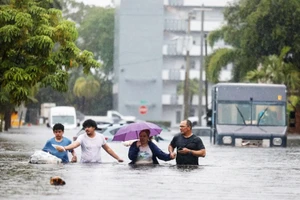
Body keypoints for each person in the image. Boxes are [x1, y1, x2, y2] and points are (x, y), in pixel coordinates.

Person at [56, 119, 124, 163]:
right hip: (84, 165)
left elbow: (108, 149)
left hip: (98, 165)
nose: (86, 129)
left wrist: (118, 158)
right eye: (85, 127)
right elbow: (75, 144)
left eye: (88, 127)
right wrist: (64, 148)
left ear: (94, 127)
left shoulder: (101, 137)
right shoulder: (82, 137)